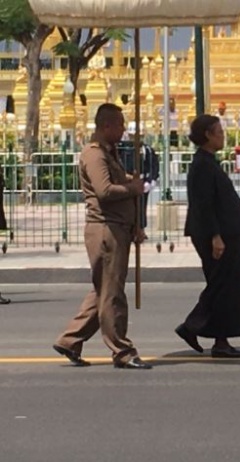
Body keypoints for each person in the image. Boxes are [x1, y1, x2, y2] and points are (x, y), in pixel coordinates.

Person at [53, 103, 151, 370]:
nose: (123, 130)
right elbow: (105, 191)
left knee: (102, 290)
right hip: (106, 229)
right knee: (112, 294)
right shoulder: (95, 155)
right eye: (119, 125)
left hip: (118, 227)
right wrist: (132, 187)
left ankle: (70, 339)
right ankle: (122, 350)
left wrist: (134, 219)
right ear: (106, 126)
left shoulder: (111, 153)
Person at [175, 114, 240, 358]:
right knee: (221, 285)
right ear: (207, 135)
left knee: (228, 287)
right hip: (217, 235)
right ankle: (192, 326)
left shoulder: (209, 162)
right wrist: (215, 236)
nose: (223, 135)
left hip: (229, 231)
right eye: (219, 131)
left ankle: (220, 339)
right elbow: (203, 205)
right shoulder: (201, 166)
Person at [118, 121, 160, 228]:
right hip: (127, 182)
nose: (136, 139)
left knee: (141, 207)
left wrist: (151, 180)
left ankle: (140, 228)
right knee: (127, 207)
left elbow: (153, 166)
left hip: (142, 182)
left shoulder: (147, 150)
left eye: (139, 136)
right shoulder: (122, 149)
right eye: (133, 136)